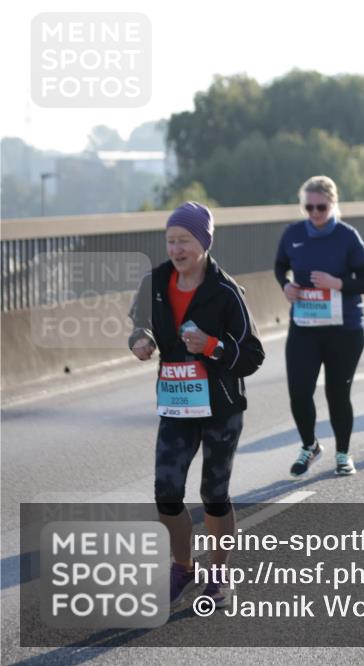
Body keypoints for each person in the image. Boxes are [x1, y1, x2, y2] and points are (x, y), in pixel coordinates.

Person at [128, 202, 265, 609]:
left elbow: (253, 355)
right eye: (170, 241)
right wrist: (141, 340)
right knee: (166, 493)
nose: (176, 249)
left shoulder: (225, 291)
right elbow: (139, 322)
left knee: (214, 494)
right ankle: (184, 567)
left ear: (204, 243)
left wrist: (212, 346)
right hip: (176, 406)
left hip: (221, 406)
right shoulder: (154, 281)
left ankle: (219, 575)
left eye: (184, 240)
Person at [274, 176, 364, 478]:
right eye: (309, 207)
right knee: (299, 392)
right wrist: (286, 285)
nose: (315, 213)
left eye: (321, 207)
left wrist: (337, 283)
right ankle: (310, 446)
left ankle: (343, 454)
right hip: (305, 325)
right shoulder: (293, 234)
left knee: (337, 393)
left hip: (343, 328)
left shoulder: (347, 236)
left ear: (333, 204)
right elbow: (280, 265)